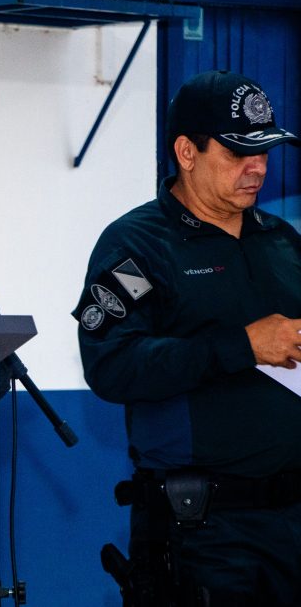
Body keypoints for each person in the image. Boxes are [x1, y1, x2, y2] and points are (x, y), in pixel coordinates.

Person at [74, 69, 301, 605]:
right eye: (239, 153)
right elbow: (111, 364)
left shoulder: (283, 242)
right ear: (186, 151)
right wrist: (240, 346)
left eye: (265, 153)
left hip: (293, 521)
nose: (258, 168)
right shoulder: (138, 247)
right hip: (204, 532)